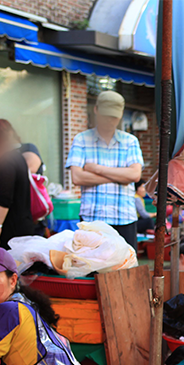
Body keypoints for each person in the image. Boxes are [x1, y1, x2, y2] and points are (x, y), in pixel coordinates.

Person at [67, 91, 145, 250]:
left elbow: (135, 175)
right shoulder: (81, 139)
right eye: (106, 116)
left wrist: (96, 169)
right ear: (96, 110)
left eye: (114, 117)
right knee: (91, 270)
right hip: (92, 220)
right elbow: (77, 177)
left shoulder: (130, 141)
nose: (110, 121)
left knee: (125, 271)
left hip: (124, 218)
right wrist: (120, 175)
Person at [0, 119, 38, 248]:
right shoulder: (15, 157)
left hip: (11, 229)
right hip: (18, 226)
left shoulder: (7, 161)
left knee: (9, 265)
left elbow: (5, 197)